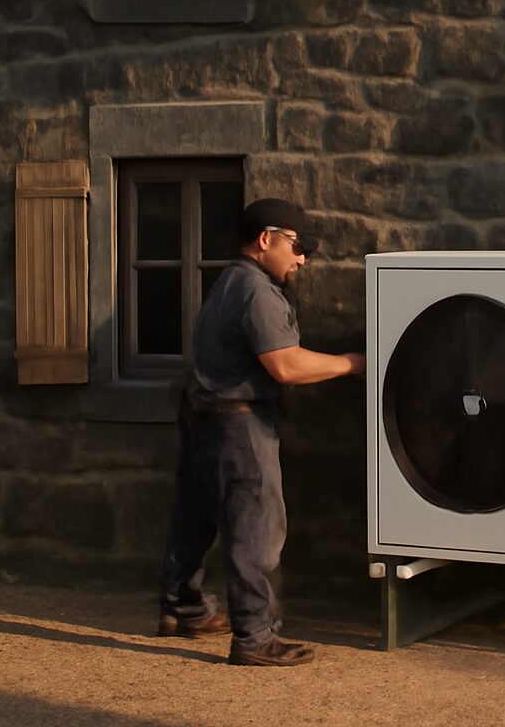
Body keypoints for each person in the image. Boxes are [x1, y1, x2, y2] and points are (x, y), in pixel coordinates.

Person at [157, 198, 366, 667]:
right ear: (266, 238)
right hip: (238, 423)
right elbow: (285, 365)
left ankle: (182, 608)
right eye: (297, 244)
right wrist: (354, 363)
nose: (303, 257)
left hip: (201, 413)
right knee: (256, 529)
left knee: (195, 516)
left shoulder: (229, 280)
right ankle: (254, 636)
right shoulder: (257, 291)